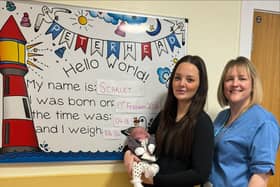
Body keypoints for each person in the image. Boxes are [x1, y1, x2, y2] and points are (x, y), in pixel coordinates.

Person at [123, 55, 214, 187]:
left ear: (200, 85)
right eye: (177, 78)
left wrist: (156, 181)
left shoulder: (202, 123)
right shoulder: (163, 116)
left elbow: (200, 173)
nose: (181, 84)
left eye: (190, 80)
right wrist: (128, 152)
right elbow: (142, 141)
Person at [209, 56, 280, 187]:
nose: (235, 84)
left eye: (242, 78)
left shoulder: (264, 122)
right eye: (229, 79)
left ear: (253, 85)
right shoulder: (222, 116)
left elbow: (260, 177)